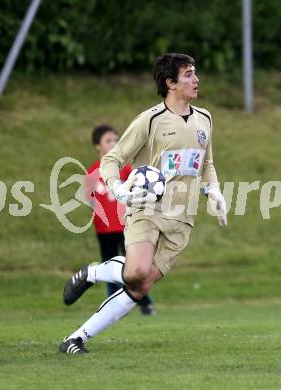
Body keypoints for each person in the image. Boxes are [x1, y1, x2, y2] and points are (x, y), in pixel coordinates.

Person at [59, 53, 227, 354]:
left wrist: (214, 191)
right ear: (170, 83)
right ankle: (93, 274)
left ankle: (76, 338)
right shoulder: (149, 120)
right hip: (147, 209)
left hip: (183, 217)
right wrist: (117, 188)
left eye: (195, 73)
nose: (196, 79)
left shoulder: (205, 118)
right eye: (188, 74)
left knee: (142, 284)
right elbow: (112, 159)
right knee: (136, 270)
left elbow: (207, 163)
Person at [85, 124, 155, 315]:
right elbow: (89, 199)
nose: (113, 143)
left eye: (116, 140)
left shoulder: (124, 170)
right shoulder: (92, 172)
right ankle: (111, 306)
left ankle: (145, 302)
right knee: (109, 264)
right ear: (97, 146)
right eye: (108, 141)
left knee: (134, 265)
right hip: (104, 230)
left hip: (126, 225)